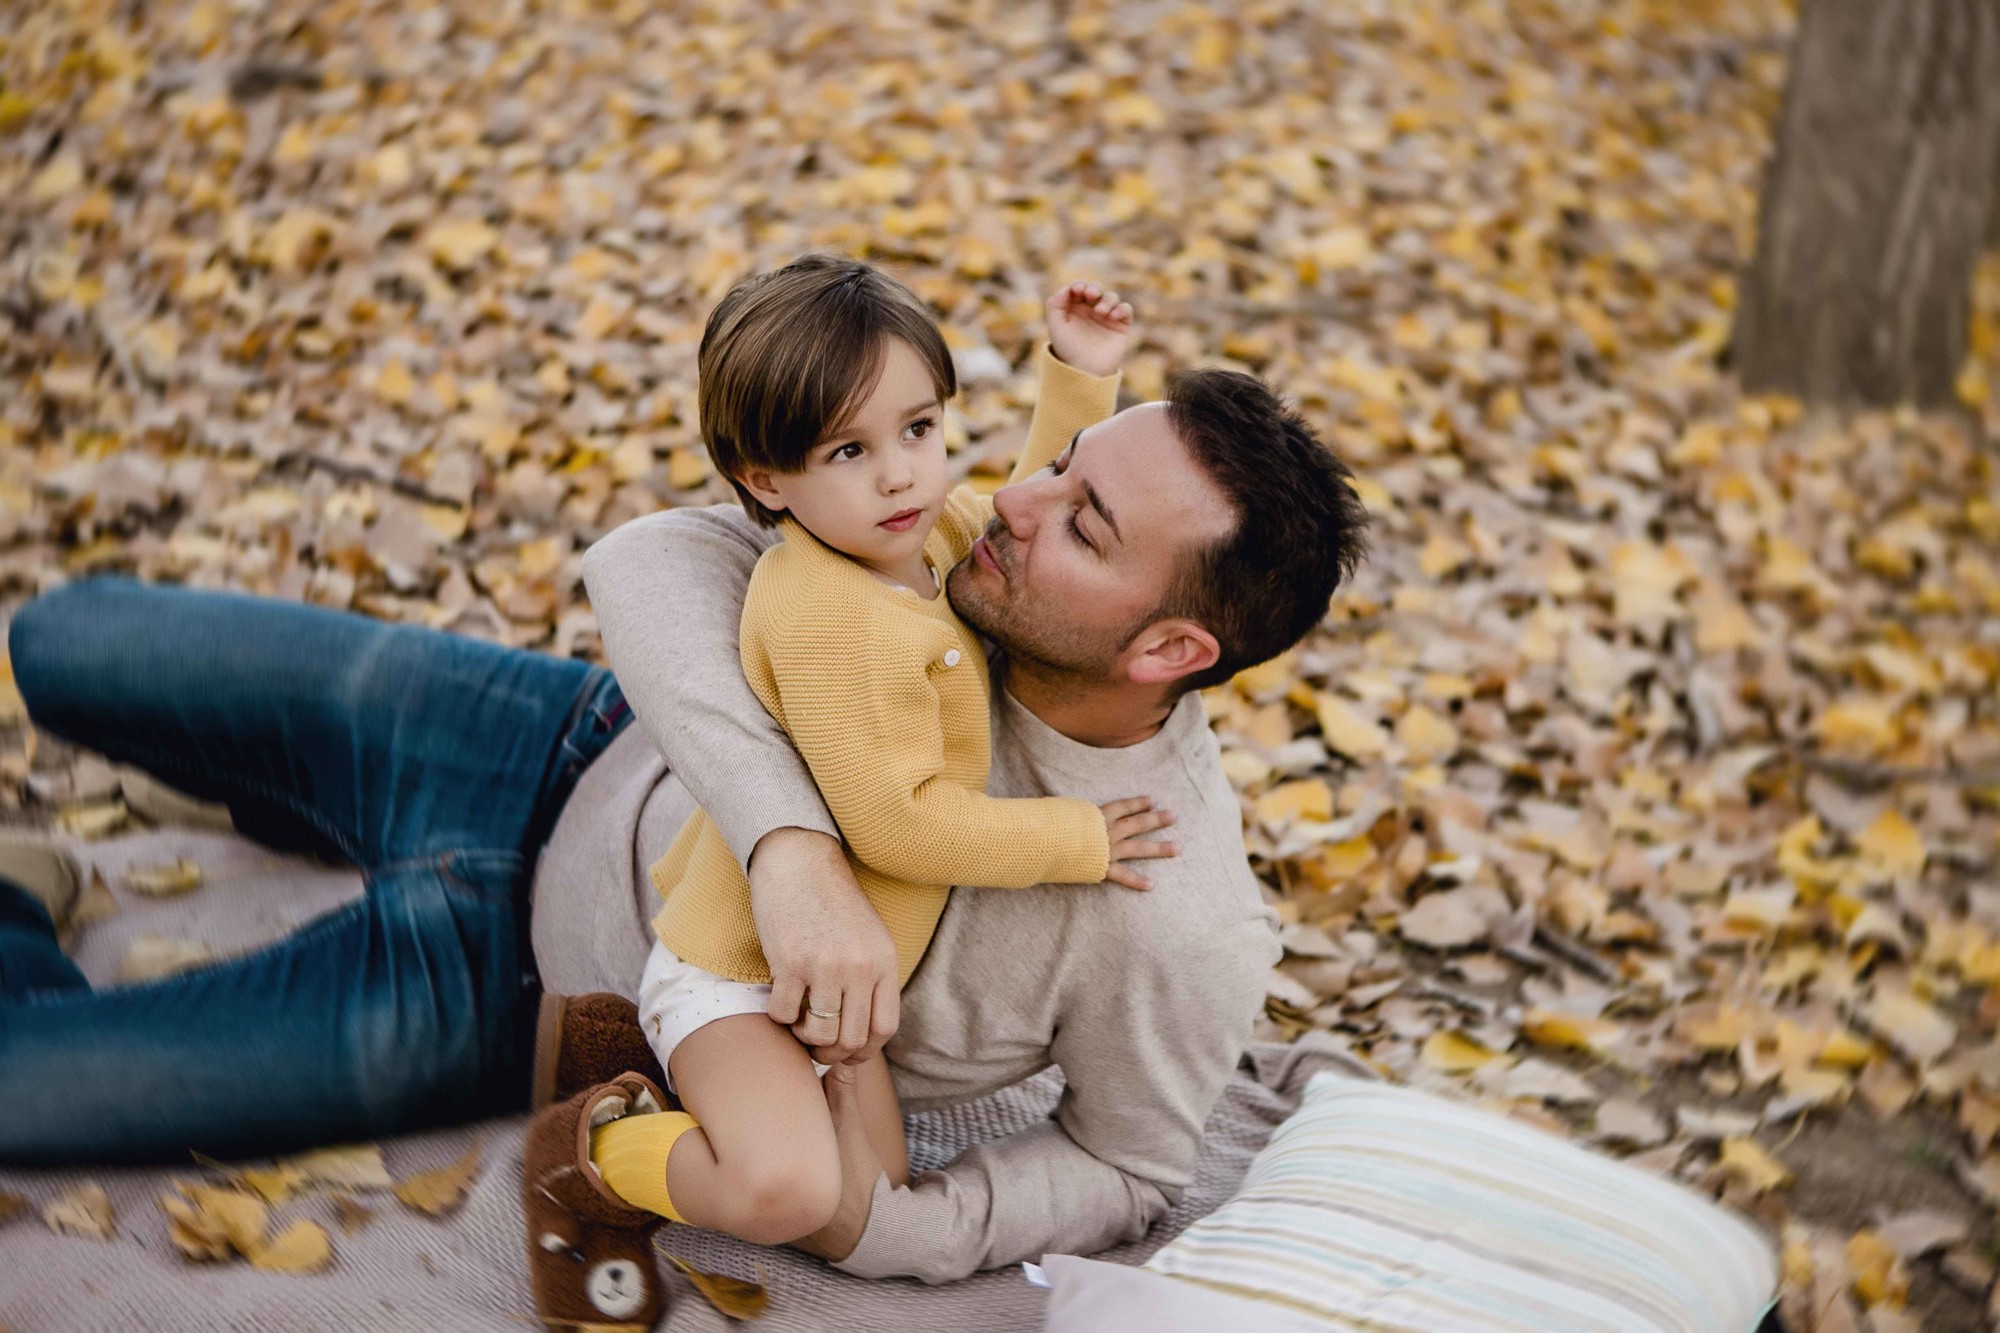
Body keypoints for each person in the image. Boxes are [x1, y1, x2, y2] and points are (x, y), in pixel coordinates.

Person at [0, 268, 1367, 1292]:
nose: (1012, 498)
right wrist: (788, 840)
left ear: (1172, 649)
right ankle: (277, 801)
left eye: (1084, 518)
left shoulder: (1172, 909)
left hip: (520, 994)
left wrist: (882, 1222)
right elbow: (652, 560)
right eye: (1062, 460)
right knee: (65, 641)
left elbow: (1126, 1168)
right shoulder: (953, 544)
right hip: (563, 739)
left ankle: (36, 896)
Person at [549, 258, 1177, 1263]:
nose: (901, 475)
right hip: (740, 971)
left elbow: (1028, 501)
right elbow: (899, 820)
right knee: (788, 1191)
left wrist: (1077, 370)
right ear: (764, 479)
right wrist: (1076, 837)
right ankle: (594, 1145)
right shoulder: (826, 613)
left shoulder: (923, 541)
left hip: (837, 990)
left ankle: (668, 1075)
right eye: (848, 449)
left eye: (919, 429)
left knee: (873, 1195)